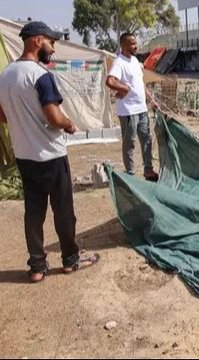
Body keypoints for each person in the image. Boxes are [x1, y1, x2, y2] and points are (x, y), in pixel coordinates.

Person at [0, 21, 99, 283]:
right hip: (51, 156)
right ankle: (70, 260)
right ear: (36, 41)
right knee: (63, 209)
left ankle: (36, 267)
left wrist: (24, 122)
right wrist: (69, 124)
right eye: (51, 42)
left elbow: (1, 114)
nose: (53, 48)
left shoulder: (6, 75)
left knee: (34, 211)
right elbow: (55, 117)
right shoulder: (40, 75)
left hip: (25, 156)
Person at [106, 32, 159, 181]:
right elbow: (110, 81)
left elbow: (140, 83)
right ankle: (130, 175)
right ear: (124, 45)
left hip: (142, 108)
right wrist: (123, 88)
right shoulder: (119, 62)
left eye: (135, 43)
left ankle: (148, 171)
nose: (136, 46)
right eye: (132, 43)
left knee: (146, 139)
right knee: (130, 143)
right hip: (128, 111)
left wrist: (150, 99)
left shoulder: (135, 61)